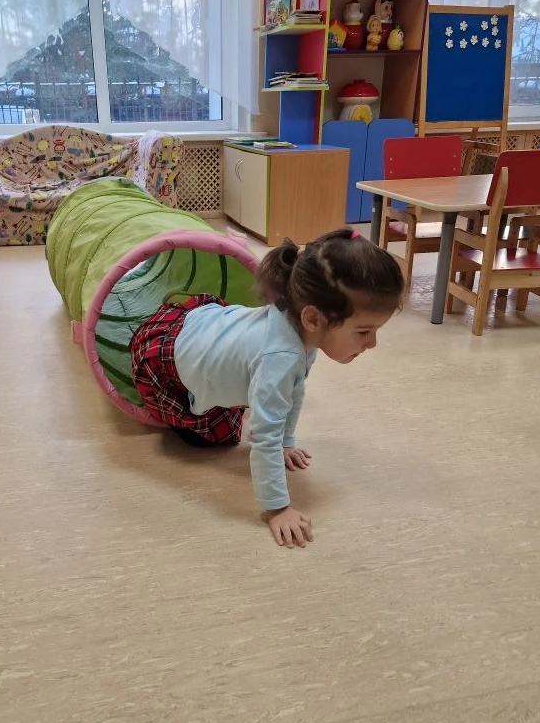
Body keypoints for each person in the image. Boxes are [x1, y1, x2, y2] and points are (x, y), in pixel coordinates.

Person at [130, 228, 405, 548]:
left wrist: (287, 443)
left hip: (196, 325)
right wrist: (278, 508)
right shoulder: (280, 358)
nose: (372, 343)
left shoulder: (298, 326)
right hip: (162, 363)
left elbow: (294, 390)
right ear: (313, 319)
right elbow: (264, 437)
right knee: (215, 438)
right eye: (363, 331)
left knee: (262, 398)